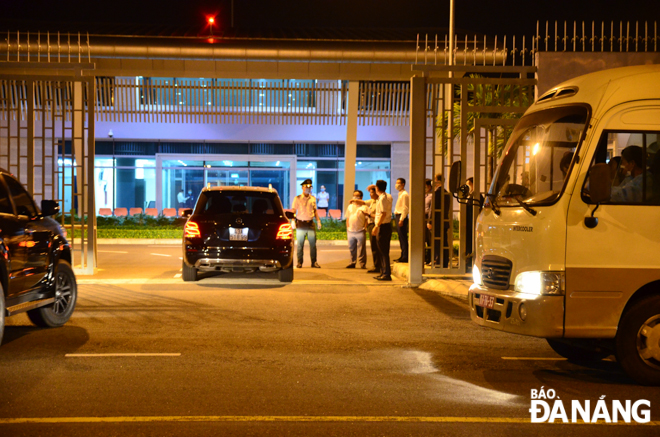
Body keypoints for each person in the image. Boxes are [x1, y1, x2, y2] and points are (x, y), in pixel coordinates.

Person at [292, 179, 322, 268]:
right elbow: (294, 210)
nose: (308, 189)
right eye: (306, 187)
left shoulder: (313, 198)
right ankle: (299, 262)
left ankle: (314, 262)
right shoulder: (297, 198)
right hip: (301, 223)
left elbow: (315, 210)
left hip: (310, 224)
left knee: (313, 244)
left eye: (310, 187)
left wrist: (318, 220)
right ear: (302, 187)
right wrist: (293, 220)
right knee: (300, 245)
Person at [428, 173, 452, 268]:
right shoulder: (446, 192)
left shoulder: (437, 192)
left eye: (434, 179)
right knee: (444, 242)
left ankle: (439, 261)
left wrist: (430, 221)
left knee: (437, 242)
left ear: (438, 181)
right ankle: (444, 261)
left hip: (437, 222)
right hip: (444, 221)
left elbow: (433, 208)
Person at [372, 179, 393, 281]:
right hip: (386, 226)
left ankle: (386, 274)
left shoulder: (382, 199)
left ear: (377, 188)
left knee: (383, 251)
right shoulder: (387, 196)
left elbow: (383, 214)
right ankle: (383, 272)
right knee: (383, 251)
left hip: (383, 226)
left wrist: (376, 226)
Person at [345, 190, 368, 269]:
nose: (355, 198)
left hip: (360, 230)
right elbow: (348, 217)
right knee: (351, 248)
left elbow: (367, 219)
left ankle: (362, 263)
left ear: (361, 197)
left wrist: (365, 227)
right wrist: (347, 227)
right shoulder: (350, 206)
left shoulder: (364, 207)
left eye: (357, 196)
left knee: (361, 248)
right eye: (354, 195)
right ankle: (352, 262)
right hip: (350, 230)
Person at [365, 185, 382, 274]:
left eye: (372, 192)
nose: (370, 194)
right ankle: (377, 265)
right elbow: (362, 202)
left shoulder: (379, 202)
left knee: (376, 246)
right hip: (371, 224)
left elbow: (381, 215)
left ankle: (378, 266)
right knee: (373, 246)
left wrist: (369, 215)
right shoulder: (372, 202)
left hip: (376, 225)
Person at [393, 178, 409, 263]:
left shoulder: (405, 195)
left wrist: (402, 219)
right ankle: (403, 255)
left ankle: (405, 256)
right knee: (400, 237)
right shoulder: (400, 194)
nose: (396, 184)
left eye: (398, 183)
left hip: (401, 216)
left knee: (403, 237)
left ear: (403, 184)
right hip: (398, 216)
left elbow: (405, 208)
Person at [424, 179, 433, 264]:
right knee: (424, 238)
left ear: (429, 186)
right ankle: (425, 258)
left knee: (430, 238)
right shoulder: (424, 195)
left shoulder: (432, 195)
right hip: (422, 217)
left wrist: (429, 220)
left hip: (428, 217)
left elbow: (431, 209)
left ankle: (430, 258)